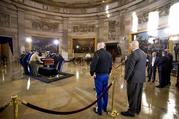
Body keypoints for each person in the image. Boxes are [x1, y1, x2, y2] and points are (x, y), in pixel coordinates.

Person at [121, 40, 146, 117]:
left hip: (133, 79)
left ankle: (131, 111)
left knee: (132, 95)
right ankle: (137, 109)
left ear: (134, 45)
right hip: (141, 78)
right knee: (138, 95)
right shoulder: (143, 53)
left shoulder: (133, 54)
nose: (129, 47)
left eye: (130, 45)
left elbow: (130, 68)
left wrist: (126, 78)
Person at [90, 42, 112, 116]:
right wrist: (108, 73)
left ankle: (99, 110)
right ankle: (104, 107)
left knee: (99, 93)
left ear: (99, 46)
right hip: (106, 75)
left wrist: (92, 73)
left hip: (99, 75)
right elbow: (110, 66)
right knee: (105, 92)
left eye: (97, 46)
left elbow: (93, 64)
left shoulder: (97, 53)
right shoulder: (109, 54)